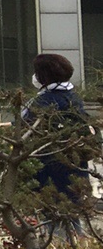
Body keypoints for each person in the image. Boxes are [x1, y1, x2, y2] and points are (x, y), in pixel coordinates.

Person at [22, 52, 94, 200]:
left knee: (52, 216)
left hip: (49, 169)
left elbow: (26, 127)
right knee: (71, 213)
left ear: (43, 75)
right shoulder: (73, 97)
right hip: (76, 168)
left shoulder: (45, 100)